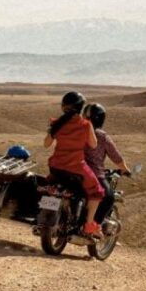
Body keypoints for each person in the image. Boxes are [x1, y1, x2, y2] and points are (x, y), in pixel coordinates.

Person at [43, 91, 105, 238]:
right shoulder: (85, 125)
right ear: (80, 107)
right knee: (97, 191)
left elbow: (46, 144)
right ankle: (89, 225)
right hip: (76, 168)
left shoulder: (56, 123)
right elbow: (93, 145)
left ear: (63, 107)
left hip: (56, 166)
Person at [82, 103, 130, 225]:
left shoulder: (76, 130)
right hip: (93, 173)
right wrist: (125, 169)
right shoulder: (101, 136)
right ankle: (93, 226)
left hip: (71, 169)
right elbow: (116, 156)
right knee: (109, 198)